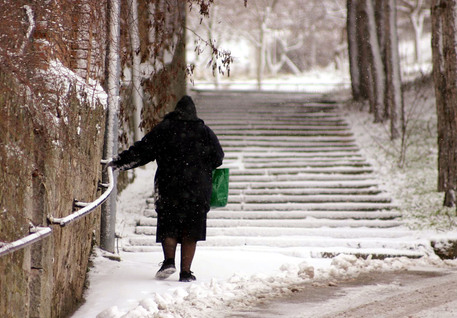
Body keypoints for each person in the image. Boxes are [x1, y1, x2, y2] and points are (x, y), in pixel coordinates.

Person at [108, 95, 224, 282]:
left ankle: (169, 261)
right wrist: (199, 166)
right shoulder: (205, 132)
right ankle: (186, 272)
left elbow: (142, 151)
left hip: (169, 186)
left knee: (169, 225)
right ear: (193, 114)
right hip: (197, 190)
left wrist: (120, 162)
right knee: (191, 230)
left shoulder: (164, 130)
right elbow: (218, 158)